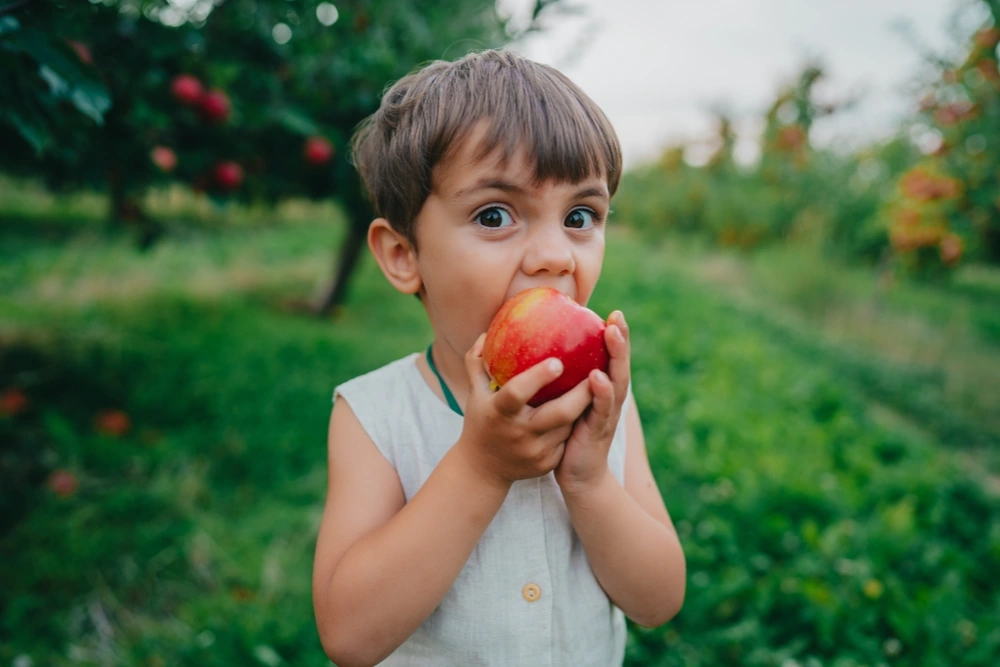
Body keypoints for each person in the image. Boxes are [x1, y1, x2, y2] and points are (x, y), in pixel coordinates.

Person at [312, 49, 686, 667]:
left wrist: (589, 480)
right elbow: (349, 636)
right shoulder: (375, 417)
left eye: (580, 216)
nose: (553, 256)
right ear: (404, 255)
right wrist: (480, 468)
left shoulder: (601, 409)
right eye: (495, 215)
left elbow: (657, 600)